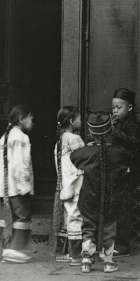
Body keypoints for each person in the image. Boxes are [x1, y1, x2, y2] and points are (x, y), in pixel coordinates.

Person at [70, 111, 132, 273]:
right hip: (111, 198)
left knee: (88, 226)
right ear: (110, 131)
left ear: (90, 133)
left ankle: (86, 260)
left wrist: (89, 148)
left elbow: (74, 157)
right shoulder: (119, 153)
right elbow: (127, 157)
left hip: (88, 197)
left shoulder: (84, 154)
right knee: (109, 227)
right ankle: (108, 261)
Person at [0, 104, 35, 263]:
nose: (32, 121)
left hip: (5, 188)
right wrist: (24, 186)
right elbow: (19, 164)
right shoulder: (21, 137)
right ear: (21, 119)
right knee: (21, 217)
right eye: (30, 118)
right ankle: (15, 249)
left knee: (8, 217)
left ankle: (7, 248)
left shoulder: (5, 136)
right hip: (16, 187)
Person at [110, 87, 140, 257]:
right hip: (116, 170)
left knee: (122, 209)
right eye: (113, 108)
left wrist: (115, 131)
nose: (115, 111)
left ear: (129, 108)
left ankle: (122, 245)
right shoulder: (117, 123)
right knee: (115, 208)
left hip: (127, 172)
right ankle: (114, 242)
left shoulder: (134, 125)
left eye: (119, 108)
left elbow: (135, 143)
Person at [53, 106, 85, 265]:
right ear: (72, 121)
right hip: (75, 185)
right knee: (75, 218)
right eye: (79, 118)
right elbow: (84, 160)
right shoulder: (74, 139)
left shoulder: (60, 141)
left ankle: (62, 251)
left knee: (67, 217)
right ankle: (75, 255)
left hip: (65, 185)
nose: (81, 121)